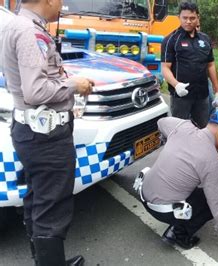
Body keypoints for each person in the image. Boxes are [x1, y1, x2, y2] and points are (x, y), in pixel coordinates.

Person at [1, 0, 93, 265]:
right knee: (52, 208)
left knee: (38, 198)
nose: (62, 5)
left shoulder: (15, 25)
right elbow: (35, 91)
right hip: (46, 135)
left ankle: (45, 261)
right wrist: (73, 86)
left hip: (31, 131)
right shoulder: (31, 32)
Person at [139, 109, 218, 249]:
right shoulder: (211, 160)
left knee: (195, 184)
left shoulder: (183, 127)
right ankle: (179, 233)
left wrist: (170, 141)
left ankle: (176, 223)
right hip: (162, 211)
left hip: (143, 194)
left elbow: (161, 122)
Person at [161, 2, 218, 129]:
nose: (188, 21)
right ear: (179, 17)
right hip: (181, 96)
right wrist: (176, 85)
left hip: (202, 95)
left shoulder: (205, 39)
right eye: (185, 18)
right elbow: (165, 68)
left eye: (192, 18)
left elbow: (211, 65)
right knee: (179, 130)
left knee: (202, 129)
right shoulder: (171, 40)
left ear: (198, 18)